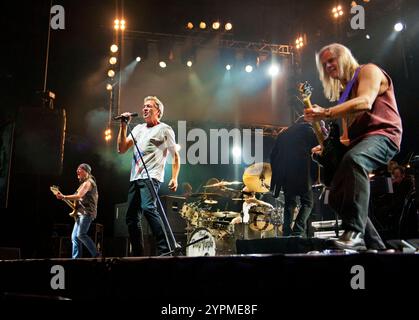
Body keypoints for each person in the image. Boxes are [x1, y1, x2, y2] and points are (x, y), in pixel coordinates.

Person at [304, 43, 402, 250]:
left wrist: (327, 112)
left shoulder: (369, 71)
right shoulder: (344, 96)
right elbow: (348, 140)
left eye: (332, 60)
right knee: (337, 194)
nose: (329, 65)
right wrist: (326, 148)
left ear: (344, 57)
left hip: (384, 135)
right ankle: (375, 244)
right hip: (362, 143)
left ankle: (354, 234)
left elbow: (366, 101)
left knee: (354, 160)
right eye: (324, 64)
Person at [117, 96, 180, 256]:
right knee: (131, 217)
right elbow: (122, 148)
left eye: (149, 106)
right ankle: (138, 253)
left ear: (158, 111)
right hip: (135, 177)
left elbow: (175, 155)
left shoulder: (164, 129)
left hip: (152, 176)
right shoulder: (138, 129)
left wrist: (174, 177)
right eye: (144, 106)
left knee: (148, 208)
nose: (144, 109)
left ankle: (165, 249)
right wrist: (124, 126)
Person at [270, 120, 318, 237]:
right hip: (302, 172)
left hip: (285, 173)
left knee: (289, 203)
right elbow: (317, 149)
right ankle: (298, 230)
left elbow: (273, 156)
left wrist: (278, 173)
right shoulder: (308, 130)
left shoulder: (283, 134)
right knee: (308, 203)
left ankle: (286, 232)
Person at [55, 163, 100, 258]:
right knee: (75, 237)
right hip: (81, 213)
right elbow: (77, 200)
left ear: (86, 171)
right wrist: (64, 198)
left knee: (81, 234)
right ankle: (76, 259)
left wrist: (63, 196)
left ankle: (97, 255)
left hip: (87, 212)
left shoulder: (89, 182)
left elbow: (78, 196)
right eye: (77, 169)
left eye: (80, 169)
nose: (77, 171)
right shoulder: (82, 184)